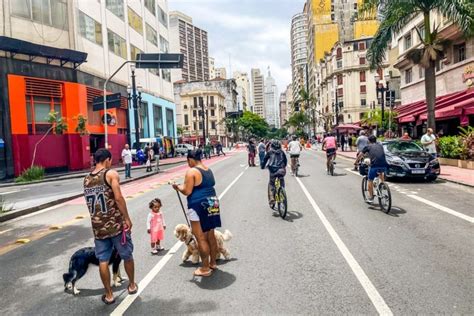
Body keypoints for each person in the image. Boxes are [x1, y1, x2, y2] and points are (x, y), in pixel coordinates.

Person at [83, 149, 137, 305]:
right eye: (110, 160)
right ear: (106, 160)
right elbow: (118, 198)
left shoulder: (86, 179)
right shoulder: (111, 174)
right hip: (115, 225)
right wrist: (126, 218)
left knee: (103, 260)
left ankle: (108, 295)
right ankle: (132, 285)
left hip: (98, 227)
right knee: (126, 254)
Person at [172, 149, 221, 277]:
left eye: (187, 161)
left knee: (200, 237)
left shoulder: (192, 171)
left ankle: (205, 268)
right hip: (212, 202)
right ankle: (213, 262)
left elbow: (187, 191)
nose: (188, 164)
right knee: (210, 235)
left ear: (190, 159)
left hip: (198, 205)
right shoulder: (208, 170)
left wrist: (177, 187)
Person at [362, 135, 389, 203]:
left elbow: (360, 155)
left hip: (374, 166)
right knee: (380, 172)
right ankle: (383, 184)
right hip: (384, 165)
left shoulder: (368, 146)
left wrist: (356, 162)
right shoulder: (380, 145)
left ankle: (371, 197)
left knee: (370, 180)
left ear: (369, 141)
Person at [263, 140, 287, 208]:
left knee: (271, 184)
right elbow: (285, 161)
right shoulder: (282, 152)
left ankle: (272, 199)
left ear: (272, 146)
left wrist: (262, 166)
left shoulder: (269, 152)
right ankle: (282, 190)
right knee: (281, 179)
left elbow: (264, 160)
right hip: (281, 170)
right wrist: (283, 167)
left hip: (272, 170)